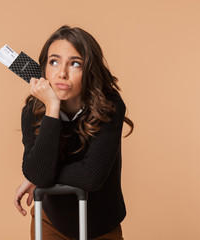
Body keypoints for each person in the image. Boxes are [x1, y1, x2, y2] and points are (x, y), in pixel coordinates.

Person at [13, 25, 134, 240]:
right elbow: (39, 173)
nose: (62, 73)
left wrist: (41, 176)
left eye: (75, 64)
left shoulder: (110, 106)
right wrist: (52, 107)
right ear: (44, 69)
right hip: (51, 221)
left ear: (88, 69)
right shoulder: (33, 111)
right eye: (54, 62)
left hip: (102, 225)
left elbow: (91, 176)